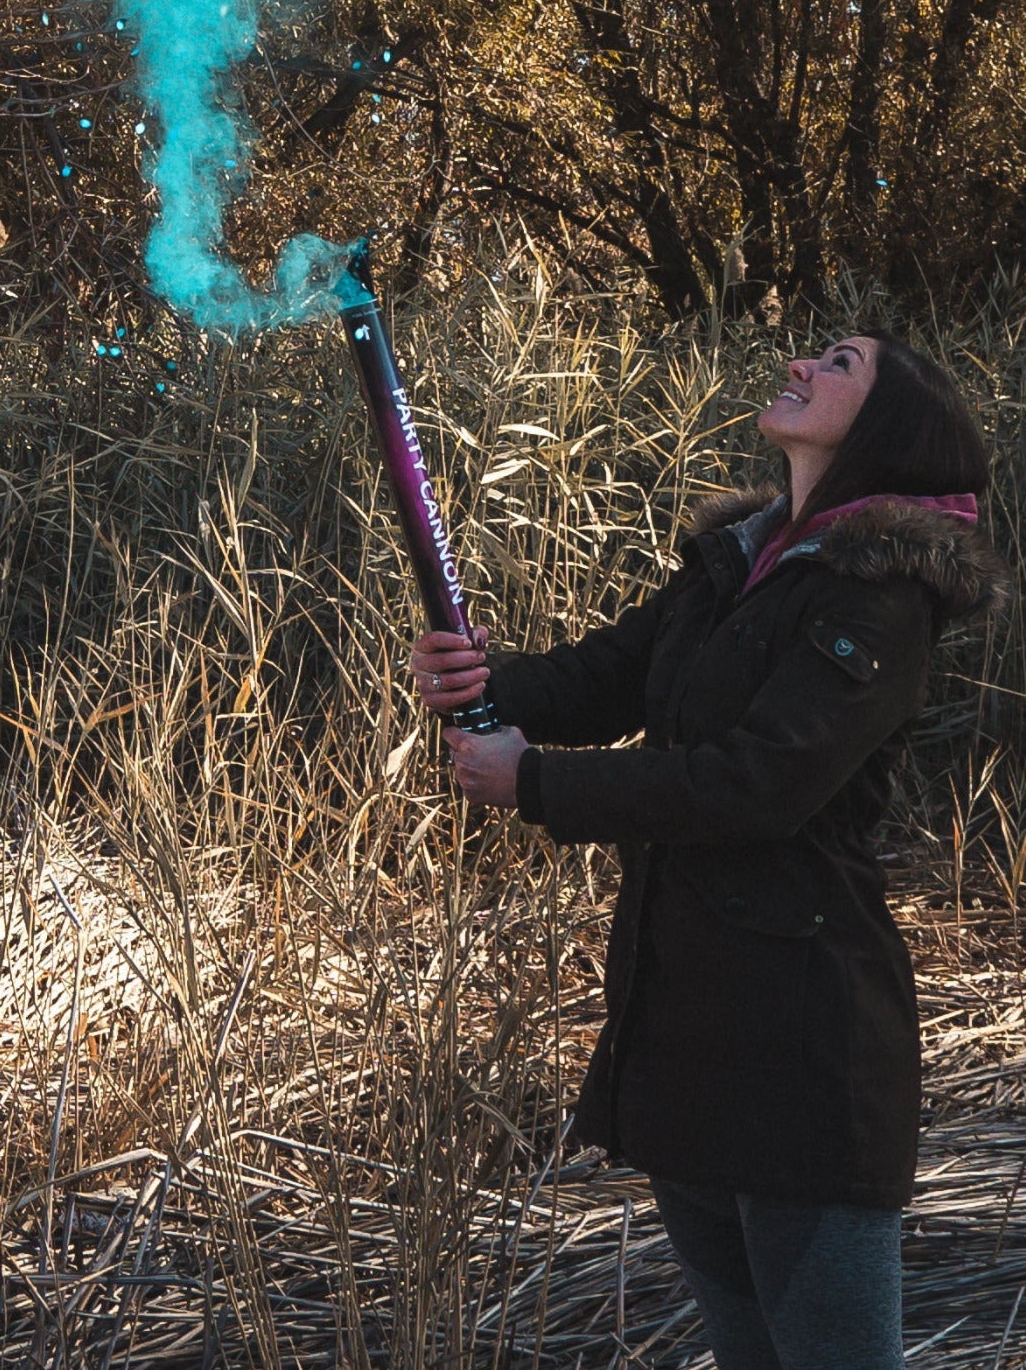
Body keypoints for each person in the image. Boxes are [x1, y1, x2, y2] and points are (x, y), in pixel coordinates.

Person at [415, 326, 1007, 1370]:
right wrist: (486, 684)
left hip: (805, 1049)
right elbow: (612, 675)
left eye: (839, 364)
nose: (801, 366)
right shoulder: (740, 560)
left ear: (890, 425)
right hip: (689, 1031)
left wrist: (537, 782)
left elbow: (759, 784)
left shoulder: (878, 594)